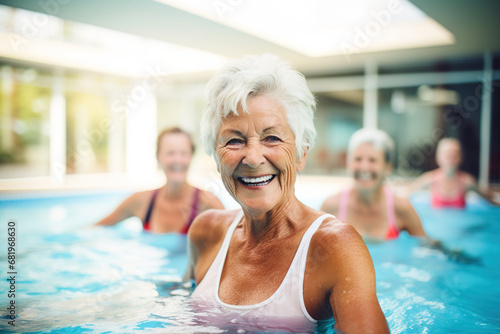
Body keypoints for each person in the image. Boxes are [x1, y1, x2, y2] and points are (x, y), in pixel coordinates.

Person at [185, 54, 389, 333]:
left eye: (272, 138)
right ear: (216, 156)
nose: (253, 158)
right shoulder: (205, 232)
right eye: (234, 140)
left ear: (300, 154)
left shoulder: (336, 248)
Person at [95, 127, 224, 233]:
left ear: (191, 157)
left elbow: (236, 241)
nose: (177, 160)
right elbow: (96, 228)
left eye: (183, 153)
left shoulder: (207, 203)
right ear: (158, 157)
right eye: (170, 153)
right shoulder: (141, 200)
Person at [321, 128, 428, 242]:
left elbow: (426, 248)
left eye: (372, 160)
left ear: (388, 167)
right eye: (358, 159)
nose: (364, 167)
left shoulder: (401, 208)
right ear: (349, 163)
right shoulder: (332, 206)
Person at [408, 137, 497, 208]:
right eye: (447, 154)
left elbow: (488, 199)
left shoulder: (467, 182)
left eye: (454, 153)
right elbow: (406, 193)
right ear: (438, 157)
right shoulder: (429, 180)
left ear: (460, 157)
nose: (451, 157)